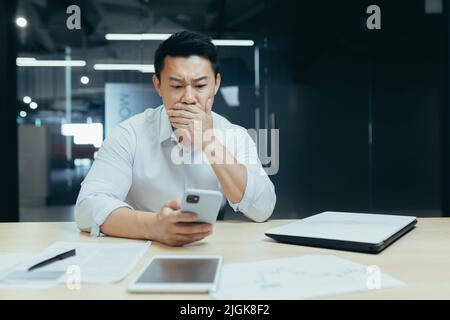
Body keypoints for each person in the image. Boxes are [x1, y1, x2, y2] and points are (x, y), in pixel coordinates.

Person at [75, 31, 276, 246]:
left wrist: (209, 142)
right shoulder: (129, 133)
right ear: (158, 85)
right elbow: (87, 208)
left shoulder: (235, 135)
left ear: (216, 84)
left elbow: (262, 208)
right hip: (142, 247)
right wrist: (153, 226)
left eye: (200, 86)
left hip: (208, 247)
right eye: (177, 86)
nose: (189, 98)